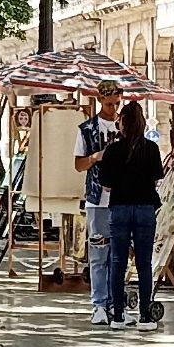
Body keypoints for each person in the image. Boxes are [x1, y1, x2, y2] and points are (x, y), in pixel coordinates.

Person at [95, 101, 168, 329]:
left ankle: (117, 315)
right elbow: (157, 179)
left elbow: (105, 185)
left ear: (122, 123)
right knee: (144, 263)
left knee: (118, 261)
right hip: (146, 209)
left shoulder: (113, 150)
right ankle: (145, 316)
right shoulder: (152, 149)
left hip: (120, 209)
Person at [73, 89, 120, 326]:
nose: (113, 108)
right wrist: (95, 157)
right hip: (97, 201)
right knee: (99, 254)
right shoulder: (87, 129)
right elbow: (78, 165)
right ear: (100, 100)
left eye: (117, 103)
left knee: (117, 256)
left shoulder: (125, 127)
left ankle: (116, 303)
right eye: (110, 104)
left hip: (121, 200)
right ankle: (99, 304)